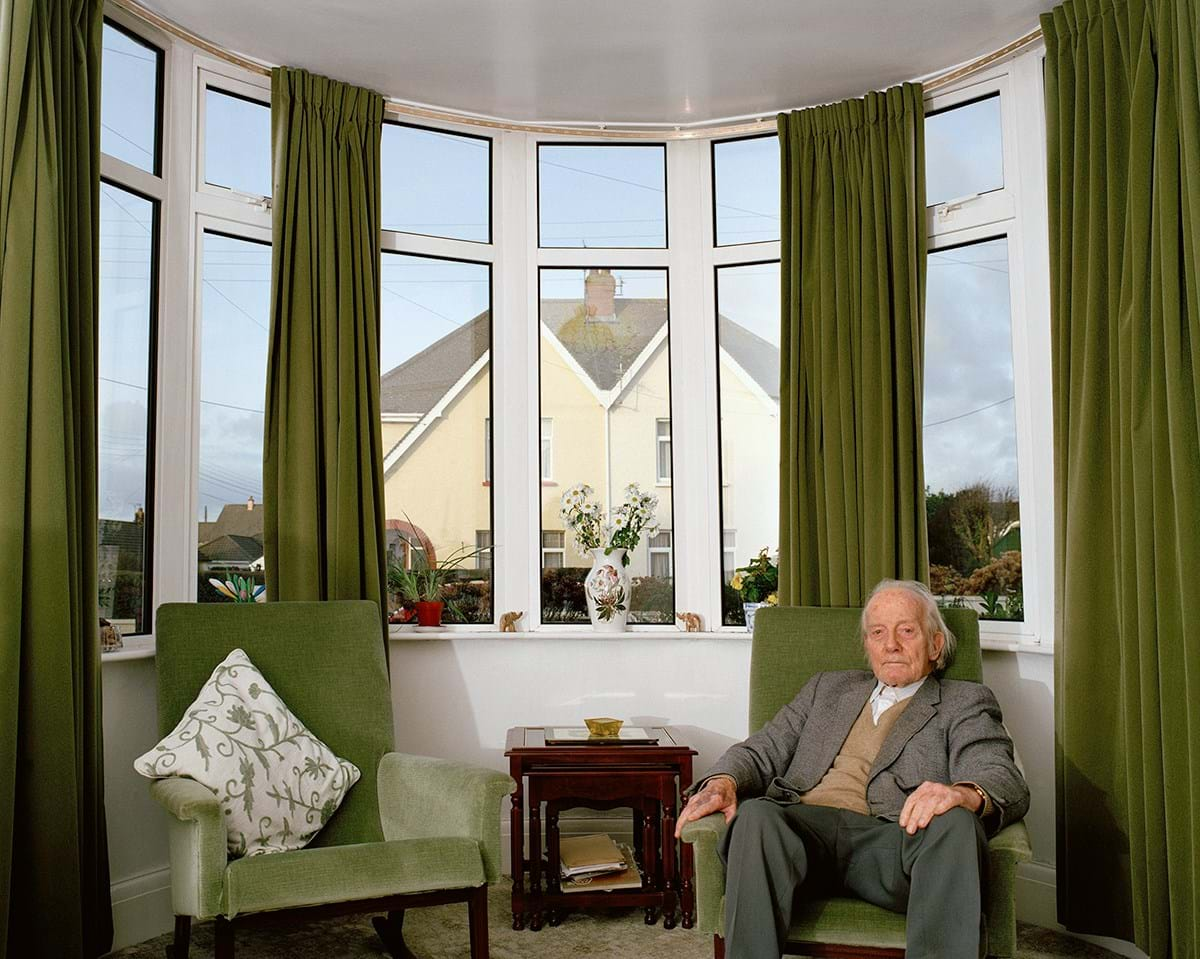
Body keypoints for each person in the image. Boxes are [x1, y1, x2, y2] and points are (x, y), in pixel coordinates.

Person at [675, 579, 1029, 959]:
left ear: (935, 645)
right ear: (867, 645)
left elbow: (997, 771)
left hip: (894, 844)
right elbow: (763, 748)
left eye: (906, 631)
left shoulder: (963, 701)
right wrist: (723, 781)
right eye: (878, 633)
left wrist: (961, 794)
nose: (891, 644)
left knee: (957, 822)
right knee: (756, 815)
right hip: (804, 836)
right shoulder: (826, 690)